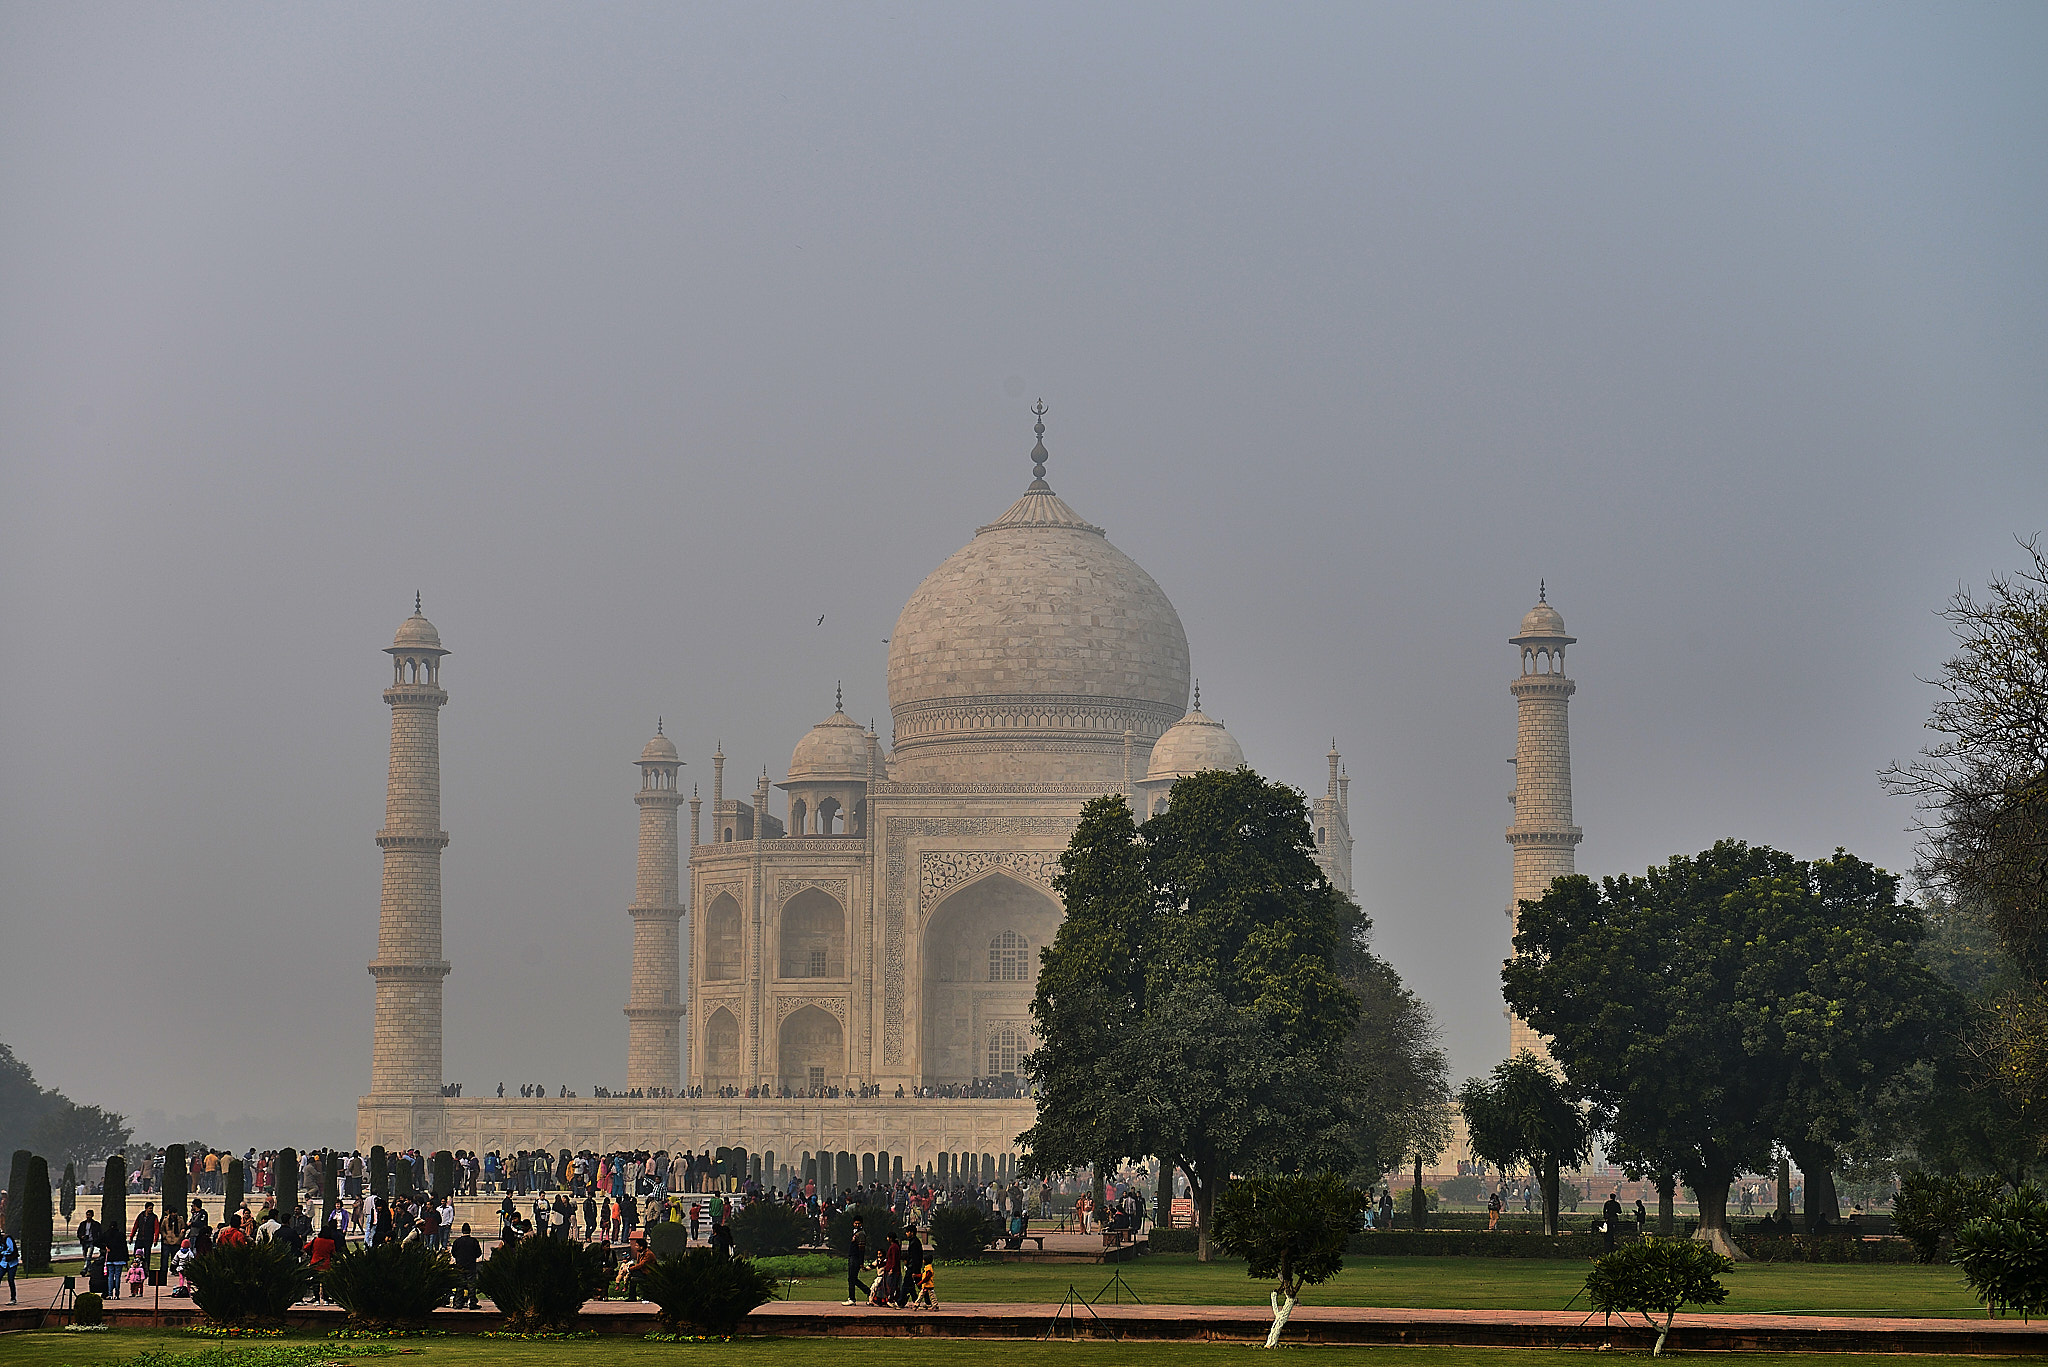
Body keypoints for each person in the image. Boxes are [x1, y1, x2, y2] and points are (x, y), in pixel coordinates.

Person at [450, 1223, 482, 1309]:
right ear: (470, 1231)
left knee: (460, 1285)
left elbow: (453, 1253)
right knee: (471, 1285)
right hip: (471, 1265)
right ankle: (472, 1303)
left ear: (462, 1231)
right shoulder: (474, 1241)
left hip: (460, 1265)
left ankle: (458, 1303)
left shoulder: (457, 1241)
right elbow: (478, 1253)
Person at [307, 1221, 339, 1303]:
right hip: (326, 1264)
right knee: (326, 1282)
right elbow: (333, 1253)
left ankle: (316, 1298)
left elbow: (306, 1247)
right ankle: (325, 1298)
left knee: (315, 1282)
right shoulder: (331, 1242)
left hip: (315, 1263)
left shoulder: (316, 1240)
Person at [843, 1215, 869, 1306]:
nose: (857, 1225)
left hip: (856, 1258)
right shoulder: (855, 1232)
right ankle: (867, 1291)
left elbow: (861, 1249)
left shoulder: (861, 1234)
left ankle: (852, 1298)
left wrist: (861, 1262)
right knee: (852, 1279)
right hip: (852, 1257)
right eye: (855, 1223)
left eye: (858, 1223)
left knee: (852, 1278)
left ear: (861, 1224)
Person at [0, 1227, 17, 1304]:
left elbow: (11, 1249)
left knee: (10, 1280)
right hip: (3, 1263)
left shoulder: (7, 1238)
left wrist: (2, 1253)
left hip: (11, 1263)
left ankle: (13, 1299)